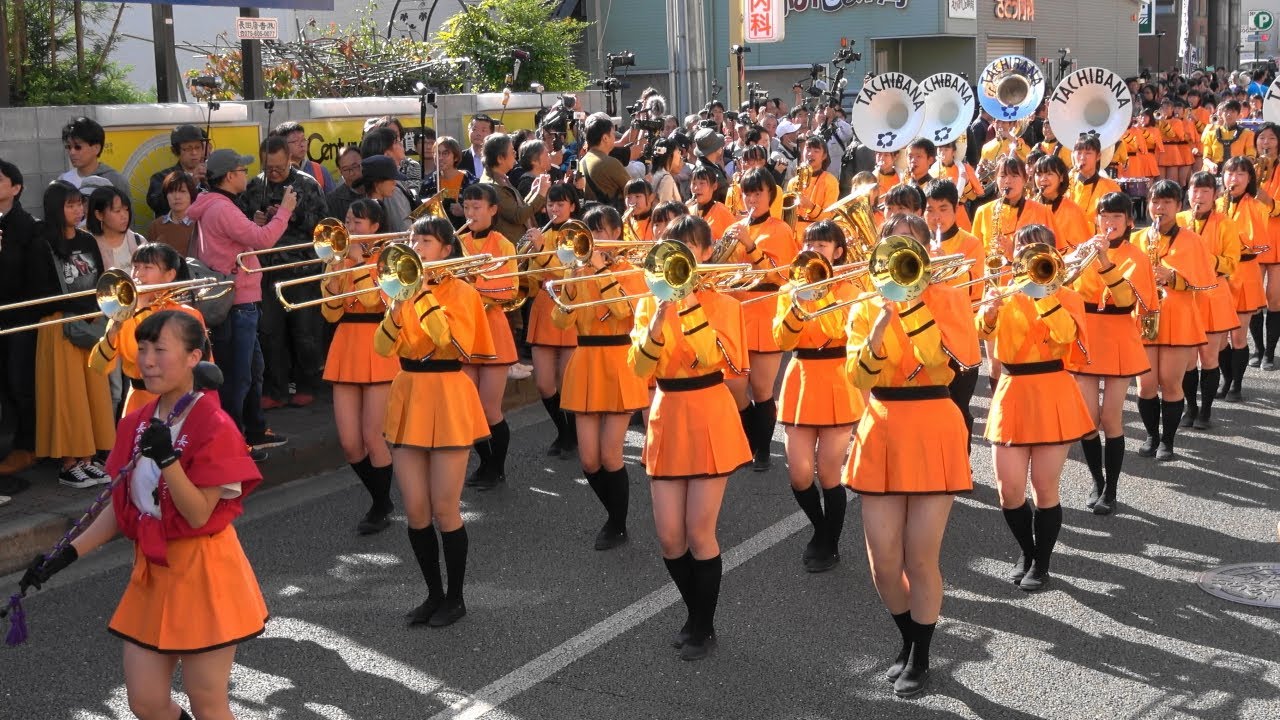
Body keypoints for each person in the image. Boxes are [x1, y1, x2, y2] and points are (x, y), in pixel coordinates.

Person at [20, 310, 268, 720]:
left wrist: (168, 459)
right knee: (146, 702)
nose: (147, 360)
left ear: (193, 357)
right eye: (143, 348)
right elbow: (122, 511)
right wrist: (62, 557)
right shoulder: (135, 421)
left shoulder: (215, 425)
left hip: (205, 574)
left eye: (160, 349)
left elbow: (196, 513)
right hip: (152, 573)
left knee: (208, 703)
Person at [842, 212, 980, 697]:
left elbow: (948, 361)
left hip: (933, 423)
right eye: (893, 248)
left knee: (921, 557)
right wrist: (881, 319)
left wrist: (913, 306)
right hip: (881, 426)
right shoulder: (864, 304)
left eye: (911, 247)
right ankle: (910, 637)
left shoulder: (949, 297)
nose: (902, 257)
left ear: (927, 253)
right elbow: (857, 377)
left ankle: (920, 655)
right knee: (882, 562)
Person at [628, 215, 750, 661]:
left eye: (689, 247)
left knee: (700, 531)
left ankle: (702, 624)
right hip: (667, 412)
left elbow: (711, 356)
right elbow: (640, 370)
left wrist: (687, 304)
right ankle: (694, 611)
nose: (678, 254)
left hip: (708, 410)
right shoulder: (648, 302)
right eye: (671, 245)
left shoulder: (724, 304)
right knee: (669, 538)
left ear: (705, 253)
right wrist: (659, 318)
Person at [374, 216, 494, 626]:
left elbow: (450, 341)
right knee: (416, 510)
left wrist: (421, 294)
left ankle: (455, 598)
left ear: (446, 248)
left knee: (446, 508)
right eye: (413, 239)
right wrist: (395, 304)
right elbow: (381, 347)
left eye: (425, 240)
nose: (416, 246)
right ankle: (432, 594)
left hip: (446, 391)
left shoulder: (461, 291)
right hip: (408, 392)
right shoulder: (400, 290)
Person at [979, 224, 1093, 592]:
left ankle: (1040, 563)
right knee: (1008, 489)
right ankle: (1027, 551)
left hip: (1052, 390)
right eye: (1023, 251)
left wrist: (1043, 293)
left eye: (1037, 252)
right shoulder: (1003, 291)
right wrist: (990, 312)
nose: (1028, 259)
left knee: (1045, 487)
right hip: (1012, 388)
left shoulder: (1068, 296)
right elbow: (982, 333)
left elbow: (1065, 335)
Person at [551, 205, 650, 550]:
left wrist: (598, 269)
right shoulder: (576, 272)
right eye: (590, 235)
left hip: (619, 358)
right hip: (586, 359)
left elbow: (625, 311)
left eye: (603, 233)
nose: (594, 242)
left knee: (611, 456)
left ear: (617, 235)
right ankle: (613, 514)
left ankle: (617, 524)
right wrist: (572, 282)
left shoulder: (632, 272)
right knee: (589, 460)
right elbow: (562, 322)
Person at [186, 148, 295, 456]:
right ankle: (233, 440)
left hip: (237, 299)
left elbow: (246, 237)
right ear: (230, 176)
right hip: (237, 301)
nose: (247, 175)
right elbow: (262, 240)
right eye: (243, 170)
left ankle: (254, 431)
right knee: (238, 375)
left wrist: (258, 223)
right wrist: (285, 210)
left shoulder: (214, 205)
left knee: (250, 370)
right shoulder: (222, 208)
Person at [772, 220, 861, 572]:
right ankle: (822, 529)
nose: (814, 249)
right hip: (802, 378)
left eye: (822, 245)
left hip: (837, 379)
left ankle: (830, 543)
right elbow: (783, 341)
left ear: (837, 251)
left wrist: (821, 294)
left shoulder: (850, 290)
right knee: (799, 474)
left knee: (829, 475)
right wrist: (798, 303)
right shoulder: (789, 289)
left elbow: (839, 330)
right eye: (810, 243)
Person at [320, 199, 402, 534]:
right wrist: (338, 269)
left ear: (375, 226)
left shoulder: (389, 258)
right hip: (346, 344)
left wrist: (354, 265)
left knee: (373, 435)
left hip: (378, 342)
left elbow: (374, 300)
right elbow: (330, 311)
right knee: (350, 442)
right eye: (348, 220)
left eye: (358, 221)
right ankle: (380, 498)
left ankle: (381, 504)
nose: (350, 227)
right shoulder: (338, 258)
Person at [28, 180, 115, 487]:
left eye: (80, 204)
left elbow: (100, 280)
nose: (78, 210)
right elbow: (42, 291)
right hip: (58, 325)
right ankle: (69, 463)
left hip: (89, 324)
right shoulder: (42, 243)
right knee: (67, 396)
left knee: (92, 393)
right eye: (70, 204)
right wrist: (84, 304)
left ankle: (89, 458)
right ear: (56, 208)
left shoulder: (87, 240)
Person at [1071, 193, 1155, 514]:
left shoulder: (1137, 256)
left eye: (1117, 217)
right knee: (1089, 419)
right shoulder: (1085, 250)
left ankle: (1112, 491)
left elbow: (1124, 300)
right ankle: (1097, 481)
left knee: (1110, 418)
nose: (1110, 223)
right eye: (1104, 216)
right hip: (1087, 336)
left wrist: (1105, 261)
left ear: (1129, 222)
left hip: (1119, 336)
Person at [241, 135, 328, 411]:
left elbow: (324, 225)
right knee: (270, 332)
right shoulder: (255, 186)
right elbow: (240, 223)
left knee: (305, 331)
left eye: (280, 166)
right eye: (269, 167)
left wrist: (293, 215)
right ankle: (275, 388)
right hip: (266, 269)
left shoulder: (307, 185)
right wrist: (254, 221)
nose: (275, 172)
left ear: (290, 159)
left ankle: (306, 384)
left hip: (301, 267)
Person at [1133, 180, 1215, 462]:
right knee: (1145, 385)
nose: (1160, 207)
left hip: (1178, 319)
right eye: (1156, 201)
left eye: (1167, 202)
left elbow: (1205, 283)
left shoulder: (1192, 240)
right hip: (1144, 317)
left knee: (1169, 382)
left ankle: (1167, 441)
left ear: (1178, 207)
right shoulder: (1139, 238)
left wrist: (1172, 277)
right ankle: (1151, 435)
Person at [726, 168, 799, 471]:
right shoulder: (737, 226)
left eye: (759, 192)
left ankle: (764, 449)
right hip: (737, 311)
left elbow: (779, 274)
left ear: (771, 195)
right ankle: (749, 441)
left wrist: (750, 246)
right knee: (736, 386)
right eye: (748, 192)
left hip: (766, 308)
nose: (753, 198)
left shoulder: (780, 229)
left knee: (761, 388)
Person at [89, 244, 207, 416]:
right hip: (139, 405)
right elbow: (99, 367)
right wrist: (114, 327)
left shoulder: (188, 314)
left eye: (148, 267)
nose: (138, 274)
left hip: (182, 403)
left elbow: (205, 369)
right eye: (135, 267)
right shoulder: (123, 316)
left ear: (169, 275)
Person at [458, 183, 517, 490]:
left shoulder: (504, 244)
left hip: (492, 329)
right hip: (464, 331)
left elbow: (509, 289)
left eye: (477, 207)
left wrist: (471, 281)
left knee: (489, 408)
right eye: (466, 208)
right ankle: (485, 463)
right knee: (469, 408)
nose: (470, 213)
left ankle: (497, 467)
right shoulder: (457, 243)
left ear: (493, 210)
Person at [922, 180, 984, 448]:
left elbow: (972, 291)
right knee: (930, 405)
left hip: (959, 338)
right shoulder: (918, 244)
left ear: (956, 209)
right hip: (926, 336)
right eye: (930, 210)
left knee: (958, 406)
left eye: (943, 209)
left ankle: (961, 463)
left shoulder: (971, 244)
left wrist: (943, 263)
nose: (936, 217)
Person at [1177, 172, 1242, 429]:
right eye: (1195, 191)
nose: (1199, 197)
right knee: (1188, 360)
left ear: (1215, 196)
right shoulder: (1180, 220)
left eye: (1205, 192)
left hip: (1214, 294)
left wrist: (1204, 255)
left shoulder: (1225, 223)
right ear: (1187, 193)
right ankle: (1190, 407)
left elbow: (1231, 264)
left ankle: (1205, 411)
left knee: (1209, 357)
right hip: (1184, 296)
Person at [524, 184, 581, 457]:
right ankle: (564, 431)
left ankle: (570, 435)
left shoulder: (579, 234)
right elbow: (537, 275)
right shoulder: (543, 234)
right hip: (544, 305)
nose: (554, 209)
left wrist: (541, 253)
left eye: (560, 204)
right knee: (544, 383)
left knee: (568, 381)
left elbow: (568, 270)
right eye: (550, 204)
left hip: (569, 303)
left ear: (573, 206)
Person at [0, 159, 42, 475]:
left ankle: (28, 446)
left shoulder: (28, 226)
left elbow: (27, 278)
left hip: (20, 318)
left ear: (16, 188)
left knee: (20, 382)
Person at [1218, 156, 1269, 399]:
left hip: (1245, 273)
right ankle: (1226, 379)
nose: (1233, 179)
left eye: (1240, 174)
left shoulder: (1256, 206)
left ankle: (1236, 385)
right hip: (1219, 275)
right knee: (1218, 337)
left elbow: (1260, 245)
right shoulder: (1217, 203)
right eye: (1229, 173)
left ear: (1249, 178)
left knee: (1238, 335)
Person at [480, 133, 550, 246]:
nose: (515, 154)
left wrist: (534, 192)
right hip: (511, 250)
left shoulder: (500, 178)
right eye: (512, 151)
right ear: (500, 158)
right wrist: (541, 194)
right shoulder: (493, 186)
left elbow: (518, 207)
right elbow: (518, 216)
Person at [146, 125, 208, 218]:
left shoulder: (210, 177)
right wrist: (191, 184)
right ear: (175, 151)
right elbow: (157, 204)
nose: (194, 153)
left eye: (198, 147)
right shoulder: (161, 178)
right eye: (188, 149)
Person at [1033, 155, 1091, 250]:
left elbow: (1082, 250)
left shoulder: (1073, 211)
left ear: (1061, 177)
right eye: (1039, 174)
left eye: (1049, 173)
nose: (1043, 178)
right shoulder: (1029, 206)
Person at [1068, 133, 1124, 233]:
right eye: (1079, 152)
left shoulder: (1111, 187)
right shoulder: (1066, 183)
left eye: (1088, 153)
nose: (1082, 157)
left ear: (1098, 156)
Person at [59, 117, 129, 195]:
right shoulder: (63, 181)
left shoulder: (116, 181)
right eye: (68, 147)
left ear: (96, 148)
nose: (72, 152)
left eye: (78, 147)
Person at [787, 137, 839, 239]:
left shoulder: (831, 181)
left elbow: (829, 216)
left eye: (816, 151)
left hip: (817, 236)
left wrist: (810, 206)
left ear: (824, 156)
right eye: (808, 149)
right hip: (793, 236)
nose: (810, 154)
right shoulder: (793, 182)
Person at [421, 136, 476, 231]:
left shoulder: (470, 182)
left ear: (456, 157)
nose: (440, 157)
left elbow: (480, 212)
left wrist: (464, 212)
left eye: (445, 153)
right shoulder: (428, 184)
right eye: (437, 153)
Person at [580, 114, 631, 208]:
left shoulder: (582, 161)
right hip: (610, 217)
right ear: (605, 138)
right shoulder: (610, 163)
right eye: (613, 134)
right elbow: (632, 189)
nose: (614, 137)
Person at [146, 172, 199, 256]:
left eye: (182, 191)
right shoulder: (156, 226)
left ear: (191, 194)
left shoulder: (200, 224)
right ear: (166, 195)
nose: (177, 197)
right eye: (171, 192)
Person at [274, 121, 336, 191]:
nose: (302, 145)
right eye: (295, 141)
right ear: (282, 145)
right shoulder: (273, 173)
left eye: (303, 140)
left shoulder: (320, 171)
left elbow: (332, 200)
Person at [687, 166, 736, 239]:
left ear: (714, 186)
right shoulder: (688, 211)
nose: (696, 188)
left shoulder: (722, 211)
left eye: (702, 183)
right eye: (694, 183)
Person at [326, 145, 366, 226]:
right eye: (345, 169)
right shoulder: (333, 200)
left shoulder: (377, 189)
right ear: (340, 171)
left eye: (355, 167)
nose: (351, 173)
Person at [458, 114, 496, 179]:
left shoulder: (496, 158)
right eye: (474, 129)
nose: (478, 134)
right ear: (468, 131)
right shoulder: (459, 158)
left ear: (491, 134)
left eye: (483, 130)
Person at [650, 137, 685, 204]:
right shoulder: (666, 178)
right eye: (678, 152)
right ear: (670, 155)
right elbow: (665, 210)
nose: (680, 156)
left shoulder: (653, 174)